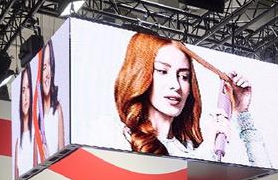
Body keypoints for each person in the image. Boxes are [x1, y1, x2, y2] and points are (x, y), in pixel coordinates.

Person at [113, 32, 270, 166]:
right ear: (140, 74)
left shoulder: (188, 148)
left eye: (184, 76)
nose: (176, 85)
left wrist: (242, 112)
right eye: (162, 71)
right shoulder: (118, 137)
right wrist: (207, 149)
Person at [37, 39, 66, 157]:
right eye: (44, 67)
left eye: (50, 65)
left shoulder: (57, 110)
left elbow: (63, 155)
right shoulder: (36, 116)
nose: (48, 73)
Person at [14, 65, 39, 178]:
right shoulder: (17, 142)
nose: (25, 96)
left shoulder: (36, 135)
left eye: (28, 88)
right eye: (23, 90)